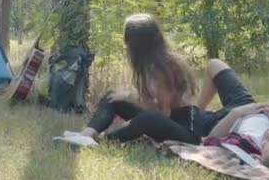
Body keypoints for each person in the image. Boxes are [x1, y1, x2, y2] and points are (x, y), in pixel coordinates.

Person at [54, 13, 202, 146]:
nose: (127, 49)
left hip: (185, 130)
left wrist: (129, 97)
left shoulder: (166, 66)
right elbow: (150, 103)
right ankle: (87, 135)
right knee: (113, 97)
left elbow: (163, 112)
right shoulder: (150, 65)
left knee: (148, 118)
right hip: (164, 121)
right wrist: (126, 98)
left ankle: (102, 140)